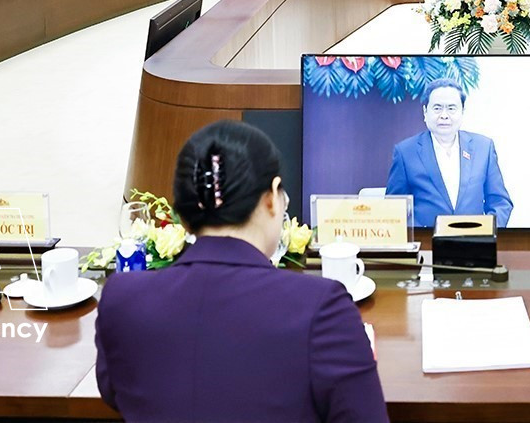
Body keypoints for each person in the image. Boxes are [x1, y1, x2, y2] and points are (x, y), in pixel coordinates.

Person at [95, 120, 387, 423]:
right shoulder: (320, 306)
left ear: (180, 212)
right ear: (273, 197)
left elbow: (116, 392)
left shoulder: (121, 298)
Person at [385, 78, 513, 228]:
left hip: (474, 243)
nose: (444, 115)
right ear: (425, 112)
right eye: (437, 108)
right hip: (427, 244)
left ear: (462, 112)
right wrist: (419, 235)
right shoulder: (405, 152)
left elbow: (500, 202)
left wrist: (486, 232)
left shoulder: (483, 148)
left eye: (451, 108)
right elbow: (394, 209)